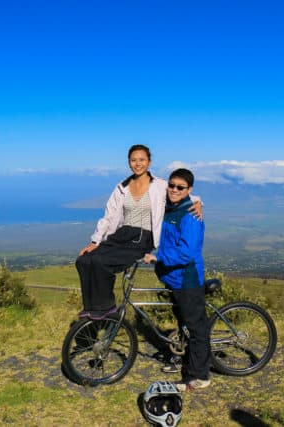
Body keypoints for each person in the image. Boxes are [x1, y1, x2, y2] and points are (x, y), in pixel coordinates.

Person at [76, 145, 201, 320]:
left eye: (142, 160)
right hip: (121, 235)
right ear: (129, 162)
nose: (138, 163)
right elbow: (108, 216)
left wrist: (198, 203)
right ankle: (92, 308)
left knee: (100, 261)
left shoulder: (160, 185)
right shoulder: (122, 187)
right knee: (83, 260)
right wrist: (95, 242)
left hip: (143, 238)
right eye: (134, 160)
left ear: (149, 162)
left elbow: (181, 192)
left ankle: (106, 307)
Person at [143, 168, 210, 392]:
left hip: (187, 279)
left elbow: (187, 253)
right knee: (184, 324)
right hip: (174, 278)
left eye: (180, 187)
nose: (174, 189)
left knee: (196, 328)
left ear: (189, 189)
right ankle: (184, 360)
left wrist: (157, 257)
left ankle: (200, 376)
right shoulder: (172, 207)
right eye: (171, 185)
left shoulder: (190, 214)